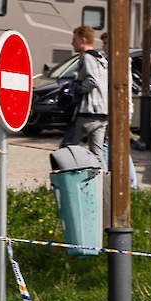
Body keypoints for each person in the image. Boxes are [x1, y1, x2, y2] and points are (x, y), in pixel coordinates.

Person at [59, 25, 109, 168]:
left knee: (67, 148)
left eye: (74, 40)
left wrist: (76, 89)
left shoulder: (87, 57)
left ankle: (65, 184)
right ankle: (103, 188)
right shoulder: (101, 58)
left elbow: (92, 81)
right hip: (103, 113)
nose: (72, 43)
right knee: (97, 155)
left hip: (88, 112)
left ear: (83, 40)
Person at [99, 31, 138, 189]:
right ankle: (129, 183)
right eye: (104, 44)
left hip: (120, 110)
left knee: (109, 145)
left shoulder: (120, 61)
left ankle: (124, 182)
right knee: (116, 146)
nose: (104, 47)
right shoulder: (112, 60)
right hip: (117, 110)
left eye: (107, 44)